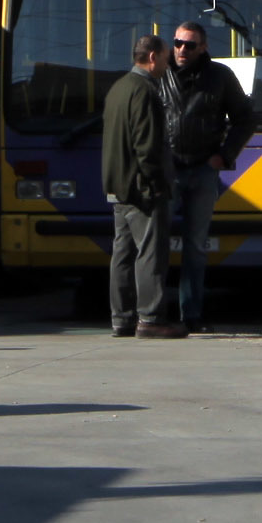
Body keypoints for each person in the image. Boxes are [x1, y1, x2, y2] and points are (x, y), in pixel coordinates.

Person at [158, 21, 251, 330]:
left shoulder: (219, 77)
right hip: (167, 170)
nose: (182, 50)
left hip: (202, 169)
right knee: (155, 243)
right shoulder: (159, 74)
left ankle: (191, 315)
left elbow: (245, 118)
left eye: (190, 45)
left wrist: (225, 155)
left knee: (196, 246)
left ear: (203, 48)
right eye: (178, 43)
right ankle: (152, 314)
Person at [99, 35, 178, 339]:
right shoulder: (145, 91)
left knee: (123, 253)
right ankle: (151, 318)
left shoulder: (118, 88)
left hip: (118, 185)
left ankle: (121, 319)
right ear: (153, 57)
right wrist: (157, 183)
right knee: (150, 252)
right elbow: (147, 145)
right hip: (141, 186)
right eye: (166, 57)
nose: (169, 64)